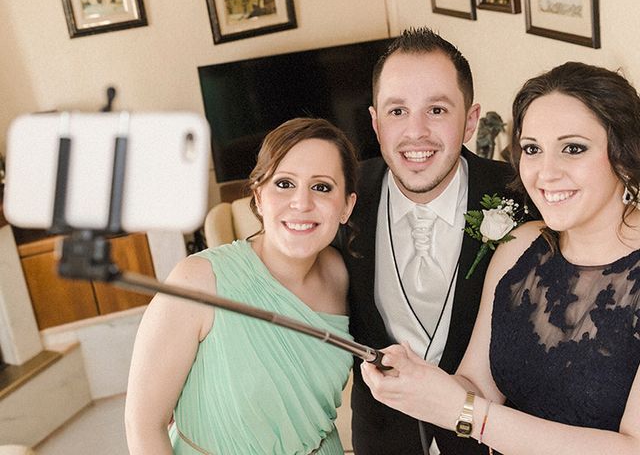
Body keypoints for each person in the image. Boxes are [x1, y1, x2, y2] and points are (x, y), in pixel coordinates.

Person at [361, 62, 640, 455]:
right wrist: (420, 383)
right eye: (532, 149)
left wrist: (468, 413)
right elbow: (476, 386)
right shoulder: (519, 247)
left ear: (625, 156)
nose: (545, 172)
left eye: (573, 148)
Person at [340, 27, 526, 454]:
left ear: (471, 121)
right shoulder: (341, 198)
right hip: (384, 442)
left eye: (437, 110)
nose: (416, 132)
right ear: (375, 122)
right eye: (398, 111)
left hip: (494, 443)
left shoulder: (524, 198)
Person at [125, 118, 358, 454]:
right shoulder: (198, 280)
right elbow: (142, 424)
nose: (302, 203)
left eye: (321, 187)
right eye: (284, 184)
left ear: (346, 206)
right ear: (259, 196)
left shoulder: (342, 275)